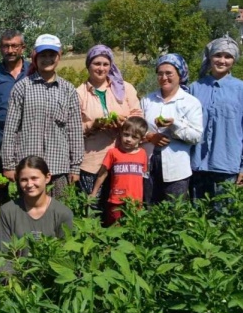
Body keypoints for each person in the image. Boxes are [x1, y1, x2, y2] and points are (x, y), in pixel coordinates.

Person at [1, 34, 84, 199]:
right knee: (28, 213)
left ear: (59, 56)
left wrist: (75, 166)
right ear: (35, 57)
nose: (47, 59)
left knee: (58, 214)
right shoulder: (22, 88)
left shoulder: (68, 90)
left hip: (58, 166)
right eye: (43, 55)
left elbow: (75, 130)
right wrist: (8, 164)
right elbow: (11, 129)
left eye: (51, 55)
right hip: (28, 167)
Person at [77, 45, 142, 202]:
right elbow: (72, 128)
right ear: (88, 65)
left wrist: (125, 123)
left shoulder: (124, 88)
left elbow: (138, 116)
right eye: (96, 64)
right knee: (93, 205)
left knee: (120, 203)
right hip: (93, 162)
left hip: (123, 158)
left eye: (105, 64)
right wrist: (93, 126)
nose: (101, 68)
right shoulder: (79, 93)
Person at [141, 54, 202, 204]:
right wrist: (149, 136)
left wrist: (174, 125)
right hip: (148, 165)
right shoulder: (148, 100)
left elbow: (196, 136)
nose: (164, 77)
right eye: (160, 73)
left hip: (176, 167)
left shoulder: (190, 102)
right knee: (148, 208)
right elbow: (137, 128)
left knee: (175, 211)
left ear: (180, 75)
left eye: (169, 73)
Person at [0, 156, 73, 274]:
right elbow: (3, 256)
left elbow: (67, 255)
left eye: (34, 178)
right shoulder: (8, 211)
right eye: (24, 180)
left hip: (51, 278)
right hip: (17, 279)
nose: (29, 184)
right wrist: (12, 285)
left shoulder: (63, 213)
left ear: (47, 178)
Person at [190, 35, 243, 201]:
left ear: (234, 60)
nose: (222, 60)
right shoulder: (195, 88)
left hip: (228, 165)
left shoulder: (240, 89)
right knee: (197, 217)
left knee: (225, 216)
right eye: (218, 55)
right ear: (210, 57)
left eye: (228, 56)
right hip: (197, 165)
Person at [0, 29, 30, 201]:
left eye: (14, 46)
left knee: (27, 177)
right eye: (5, 46)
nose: (10, 50)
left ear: (22, 48)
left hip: (26, 132)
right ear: (0, 48)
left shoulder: (32, 71)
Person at [89, 117, 148, 226]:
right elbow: (103, 173)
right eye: (126, 134)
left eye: (134, 137)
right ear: (120, 134)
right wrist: (94, 192)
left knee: (133, 228)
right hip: (116, 200)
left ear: (142, 139)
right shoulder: (113, 153)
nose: (128, 139)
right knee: (115, 227)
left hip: (135, 202)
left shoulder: (143, 154)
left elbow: (143, 178)